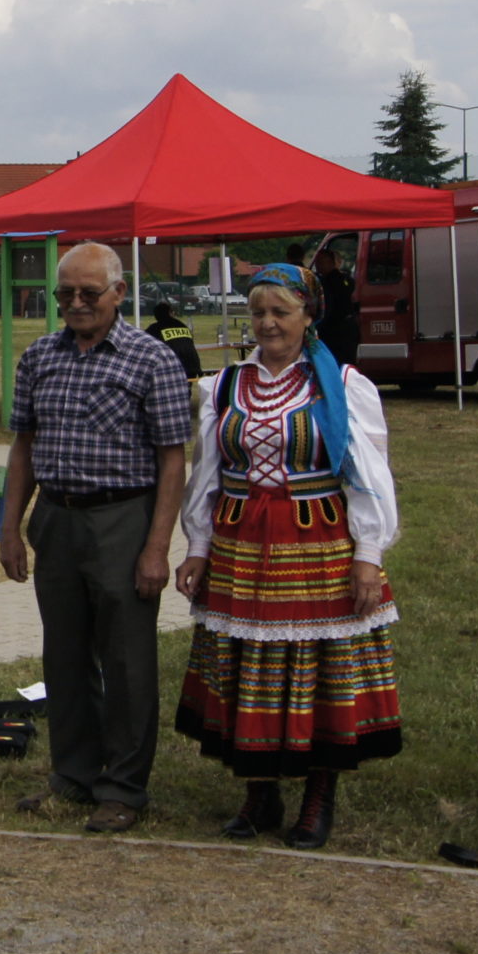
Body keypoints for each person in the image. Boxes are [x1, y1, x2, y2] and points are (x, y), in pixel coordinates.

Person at [172, 264, 402, 848]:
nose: (268, 323)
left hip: (317, 542)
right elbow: (208, 474)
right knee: (248, 665)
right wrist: (197, 545)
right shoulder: (223, 386)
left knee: (317, 667)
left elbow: (369, 475)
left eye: (281, 311)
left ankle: (319, 795)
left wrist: (369, 552)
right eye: (258, 312)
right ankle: (260, 790)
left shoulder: (341, 384)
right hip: (240, 544)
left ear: (308, 316)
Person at [0, 242, 191, 833]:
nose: (76, 303)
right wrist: (10, 528)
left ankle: (124, 787)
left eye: (89, 293)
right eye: (66, 294)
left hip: (122, 520)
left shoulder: (151, 359)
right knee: (65, 653)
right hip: (57, 518)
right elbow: (24, 446)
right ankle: (74, 774)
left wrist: (157, 547)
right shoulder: (39, 357)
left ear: (119, 293)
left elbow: (172, 460)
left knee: (127, 659)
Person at [313, 247, 359, 361]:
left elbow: (327, 308)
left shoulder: (326, 283)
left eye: (320, 262)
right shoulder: (347, 279)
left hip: (334, 331)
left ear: (330, 262)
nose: (317, 266)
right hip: (350, 328)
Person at [146, 301, 204, 381]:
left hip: (173, 368)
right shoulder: (182, 325)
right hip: (193, 367)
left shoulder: (154, 329)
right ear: (170, 313)